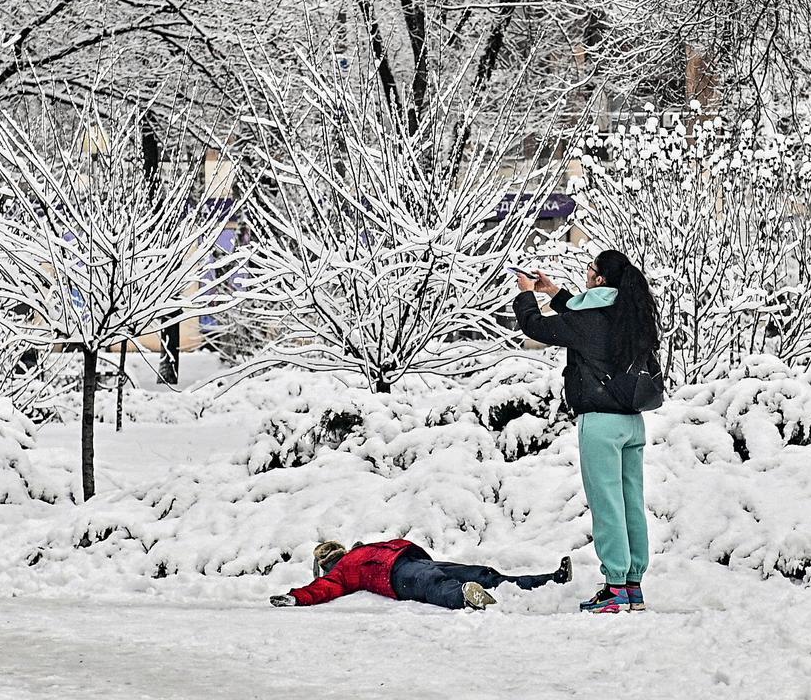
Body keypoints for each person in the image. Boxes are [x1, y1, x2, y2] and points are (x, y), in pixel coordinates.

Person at [512, 250, 661, 614]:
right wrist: (555, 293)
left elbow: (538, 327)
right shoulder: (631, 315)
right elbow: (586, 320)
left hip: (600, 423)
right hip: (632, 421)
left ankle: (613, 588)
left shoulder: (589, 319)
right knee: (630, 503)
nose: (586, 273)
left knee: (607, 504)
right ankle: (632, 585)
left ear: (599, 280)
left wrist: (527, 294)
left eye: (589, 270)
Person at [269, 539, 572, 610]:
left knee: (484, 572)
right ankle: (464, 597)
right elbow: (321, 589)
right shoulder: (341, 572)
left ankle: (550, 580)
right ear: (326, 564)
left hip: (415, 559)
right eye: (327, 554)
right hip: (396, 576)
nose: (333, 553)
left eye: (333, 549)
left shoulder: (365, 547)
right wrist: (296, 597)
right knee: (434, 585)